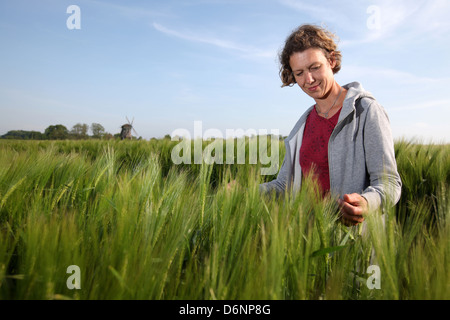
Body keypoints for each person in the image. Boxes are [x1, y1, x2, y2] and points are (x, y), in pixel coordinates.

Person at [259, 24, 402, 226]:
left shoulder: (366, 111)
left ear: (331, 60)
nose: (308, 80)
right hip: (309, 241)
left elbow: (389, 183)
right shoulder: (302, 125)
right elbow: (284, 185)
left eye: (314, 67)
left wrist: (366, 203)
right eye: (299, 73)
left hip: (352, 243)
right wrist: (245, 192)